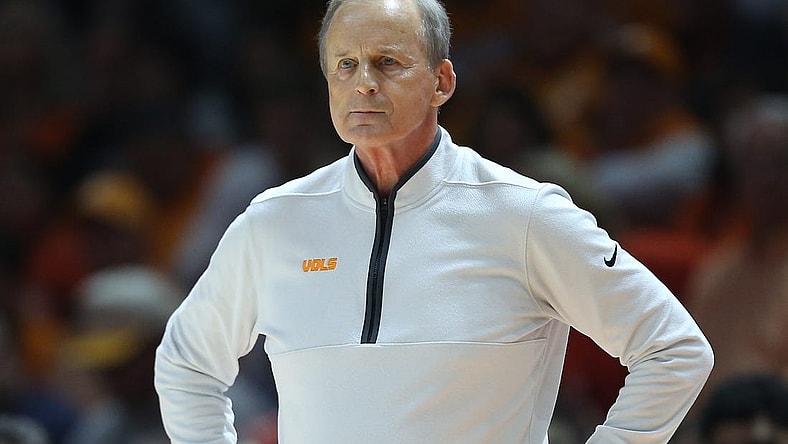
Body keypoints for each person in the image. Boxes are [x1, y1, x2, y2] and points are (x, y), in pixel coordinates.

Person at [154, 0, 713, 442]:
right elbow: (186, 363)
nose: (364, 83)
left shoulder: (524, 214)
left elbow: (675, 349)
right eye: (345, 65)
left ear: (442, 82)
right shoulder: (273, 222)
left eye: (388, 62)